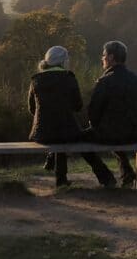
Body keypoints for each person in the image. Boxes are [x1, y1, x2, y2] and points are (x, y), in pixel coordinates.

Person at [28, 45, 117, 188]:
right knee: (77, 139)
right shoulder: (69, 78)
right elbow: (78, 106)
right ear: (63, 62)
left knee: (60, 135)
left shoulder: (36, 80)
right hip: (65, 131)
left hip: (41, 133)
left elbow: (32, 109)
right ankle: (106, 178)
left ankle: (60, 178)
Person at [87, 40, 137, 188]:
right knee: (115, 132)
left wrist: (94, 126)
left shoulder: (104, 81)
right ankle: (127, 174)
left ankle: (106, 177)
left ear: (111, 57)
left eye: (104, 55)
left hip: (111, 133)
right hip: (135, 133)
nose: (102, 58)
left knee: (79, 140)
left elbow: (93, 114)